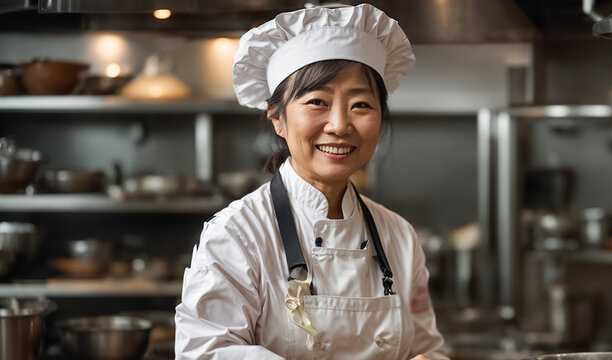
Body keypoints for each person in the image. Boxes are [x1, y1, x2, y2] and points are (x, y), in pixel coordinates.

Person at [174, 4, 448, 359]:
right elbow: (206, 353)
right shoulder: (237, 235)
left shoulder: (399, 237)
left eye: (361, 105)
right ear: (278, 118)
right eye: (317, 101)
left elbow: (426, 349)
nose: (339, 125)